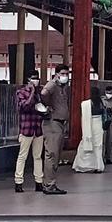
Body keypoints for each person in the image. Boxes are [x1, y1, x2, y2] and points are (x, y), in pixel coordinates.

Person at [40, 64, 71, 194]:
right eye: (62, 74)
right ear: (56, 74)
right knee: (52, 154)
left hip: (60, 124)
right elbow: (44, 93)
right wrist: (48, 105)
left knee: (56, 154)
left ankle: (50, 183)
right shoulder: (52, 85)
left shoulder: (63, 87)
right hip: (53, 123)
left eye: (67, 74)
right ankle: (49, 185)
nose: (65, 76)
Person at [14, 72, 44, 193]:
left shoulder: (40, 92)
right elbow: (24, 107)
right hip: (26, 128)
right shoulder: (21, 92)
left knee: (37, 157)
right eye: (33, 79)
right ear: (28, 80)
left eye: (37, 79)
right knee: (22, 156)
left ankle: (39, 182)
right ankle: (18, 182)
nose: (36, 81)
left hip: (38, 128)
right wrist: (32, 92)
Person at [73, 86, 106, 173]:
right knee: (98, 146)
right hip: (98, 125)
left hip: (89, 124)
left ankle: (82, 165)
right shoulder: (101, 103)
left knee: (85, 144)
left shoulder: (86, 104)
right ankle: (98, 166)